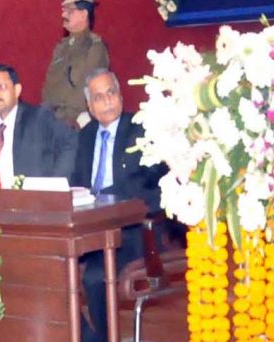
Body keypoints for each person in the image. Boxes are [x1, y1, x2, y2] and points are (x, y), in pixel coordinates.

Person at [71, 68, 165, 342]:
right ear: (90, 106)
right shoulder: (86, 136)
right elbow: (76, 181)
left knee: (95, 278)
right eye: (99, 97)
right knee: (52, 270)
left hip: (131, 233)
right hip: (89, 231)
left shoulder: (140, 130)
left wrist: (104, 198)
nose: (107, 100)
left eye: (111, 92)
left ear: (121, 95)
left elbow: (151, 183)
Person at [0, 63, 76, 186]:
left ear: (17, 90)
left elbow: (70, 141)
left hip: (29, 195)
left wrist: (55, 184)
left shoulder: (38, 117)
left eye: (2, 87)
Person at [42, 0, 110, 128]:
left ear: (84, 14)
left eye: (70, 10)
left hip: (76, 124)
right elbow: (49, 88)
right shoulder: (61, 47)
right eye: (64, 10)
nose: (63, 14)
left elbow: (91, 91)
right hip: (51, 122)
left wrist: (78, 122)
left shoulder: (94, 48)